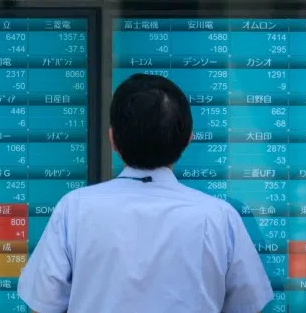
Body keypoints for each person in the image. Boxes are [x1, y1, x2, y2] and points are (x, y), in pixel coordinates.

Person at [17, 73, 274, 313]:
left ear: (112, 139)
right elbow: (248, 305)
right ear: (188, 139)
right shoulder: (219, 217)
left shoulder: (74, 209)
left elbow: (41, 304)